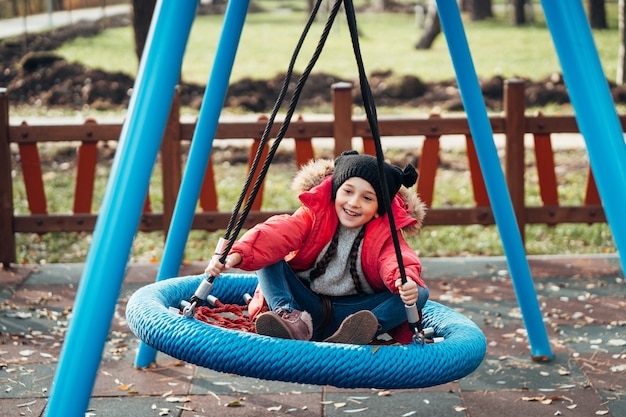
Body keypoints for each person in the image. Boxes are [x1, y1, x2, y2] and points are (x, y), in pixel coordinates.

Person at [205, 150, 428, 345]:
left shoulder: (386, 233)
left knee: (418, 292)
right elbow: (277, 232)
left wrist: (402, 279)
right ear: (335, 191)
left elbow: (396, 259)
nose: (353, 203)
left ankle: (364, 328)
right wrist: (234, 255)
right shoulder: (313, 216)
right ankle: (287, 315)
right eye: (347, 191)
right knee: (269, 251)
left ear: (379, 208)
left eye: (367, 198)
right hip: (304, 305)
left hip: (353, 312)